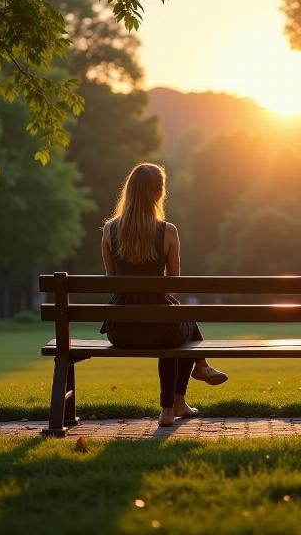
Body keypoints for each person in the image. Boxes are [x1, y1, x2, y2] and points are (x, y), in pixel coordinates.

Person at [100, 163, 228, 427]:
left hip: (121, 331)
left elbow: (114, 282)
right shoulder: (167, 231)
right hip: (161, 331)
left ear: (130, 192)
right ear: (158, 194)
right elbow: (174, 284)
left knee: (176, 320)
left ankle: (191, 382)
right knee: (178, 322)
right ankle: (172, 406)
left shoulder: (109, 231)